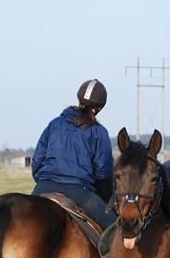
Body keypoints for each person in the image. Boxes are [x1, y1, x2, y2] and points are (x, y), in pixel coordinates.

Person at [31, 79, 115, 230]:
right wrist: (103, 196)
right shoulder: (99, 132)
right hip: (80, 191)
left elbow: (37, 160)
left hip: (44, 186)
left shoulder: (54, 124)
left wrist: (44, 181)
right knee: (115, 228)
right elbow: (103, 173)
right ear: (99, 107)